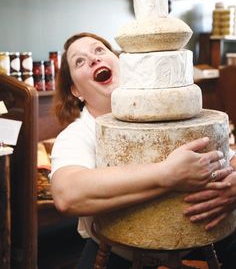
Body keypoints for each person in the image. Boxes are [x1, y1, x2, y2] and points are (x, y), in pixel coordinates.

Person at [50, 32, 234, 269]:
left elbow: (228, 157)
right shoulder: (77, 135)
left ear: (121, 62)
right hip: (120, 251)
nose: (93, 60)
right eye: (79, 61)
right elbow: (67, 195)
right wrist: (166, 175)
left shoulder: (167, 105)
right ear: (75, 90)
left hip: (204, 235)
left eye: (99, 50)